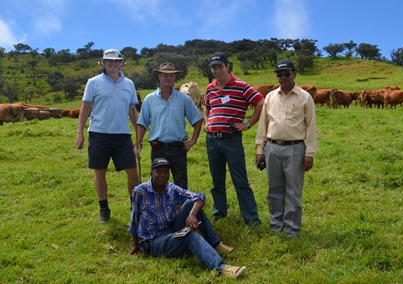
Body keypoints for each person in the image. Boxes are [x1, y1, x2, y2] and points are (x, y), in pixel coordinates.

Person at [129, 157, 246, 278]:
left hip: (171, 228)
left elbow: (199, 197)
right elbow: (134, 220)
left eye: (166, 171)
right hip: (154, 240)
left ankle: (215, 243)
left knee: (191, 204)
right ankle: (221, 268)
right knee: (189, 235)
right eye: (158, 171)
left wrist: (192, 214)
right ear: (151, 173)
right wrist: (136, 245)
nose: (162, 175)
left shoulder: (171, 188)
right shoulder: (140, 191)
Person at [255, 59, 318, 238]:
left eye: (286, 74)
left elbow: (311, 126)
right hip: (272, 148)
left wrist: (310, 152)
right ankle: (276, 226)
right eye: (279, 74)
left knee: (293, 191)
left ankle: (292, 230)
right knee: (274, 190)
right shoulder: (270, 96)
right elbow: (263, 124)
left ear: (294, 74)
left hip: (295, 148)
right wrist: (260, 149)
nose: (283, 77)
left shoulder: (305, 97)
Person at [76, 49, 140, 224]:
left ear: (121, 63)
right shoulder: (93, 82)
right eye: (109, 61)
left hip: (122, 135)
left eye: (116, 61)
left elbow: (132, 110)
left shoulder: (129, 84)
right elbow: (85, 108)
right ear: (103, 63)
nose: (113, 64)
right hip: (99, 134)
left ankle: (135, 206)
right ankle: (104, 209)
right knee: (100, 171)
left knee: (132, 171)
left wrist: (139, 135)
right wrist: (80, 133)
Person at [203, 52, 264, 226]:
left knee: (240, 180)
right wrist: (207, 121)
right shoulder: (210, 88)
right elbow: (206, 107)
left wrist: (248, 124)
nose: (217, 71)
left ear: (227, 67)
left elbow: (260, 102)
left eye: (220, 67)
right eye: (214, 68)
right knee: (217, 181)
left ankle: (252, 219)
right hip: (212, 140)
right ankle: (219, 214)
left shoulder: (241, 86)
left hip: (231, 139)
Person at [134, 62, 203, 189]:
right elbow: (142, 123)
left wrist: (192, 141)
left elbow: (198, 119)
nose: (168, 78)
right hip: (158, 148)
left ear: (175, 78)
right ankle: (160, 208)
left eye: (171, 75)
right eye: (165, 75)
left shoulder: (184, 99)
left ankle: (180, 209)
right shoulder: (150, 99)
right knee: (158, 184)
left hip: (178, 148)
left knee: (181, 185)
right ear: (159, 77)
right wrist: (138, 143)